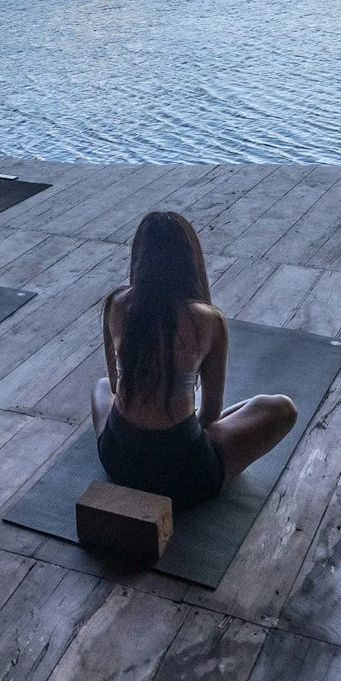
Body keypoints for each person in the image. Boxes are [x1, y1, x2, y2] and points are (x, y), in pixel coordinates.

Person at [91, 212, 298, 510]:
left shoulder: (117, 304)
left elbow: (114, 385)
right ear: (190, 261)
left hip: (118, 458)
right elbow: (211, 414)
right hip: (186, 475)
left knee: (100, 388)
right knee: (281, 408)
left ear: (140, 258)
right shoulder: (208, 320)